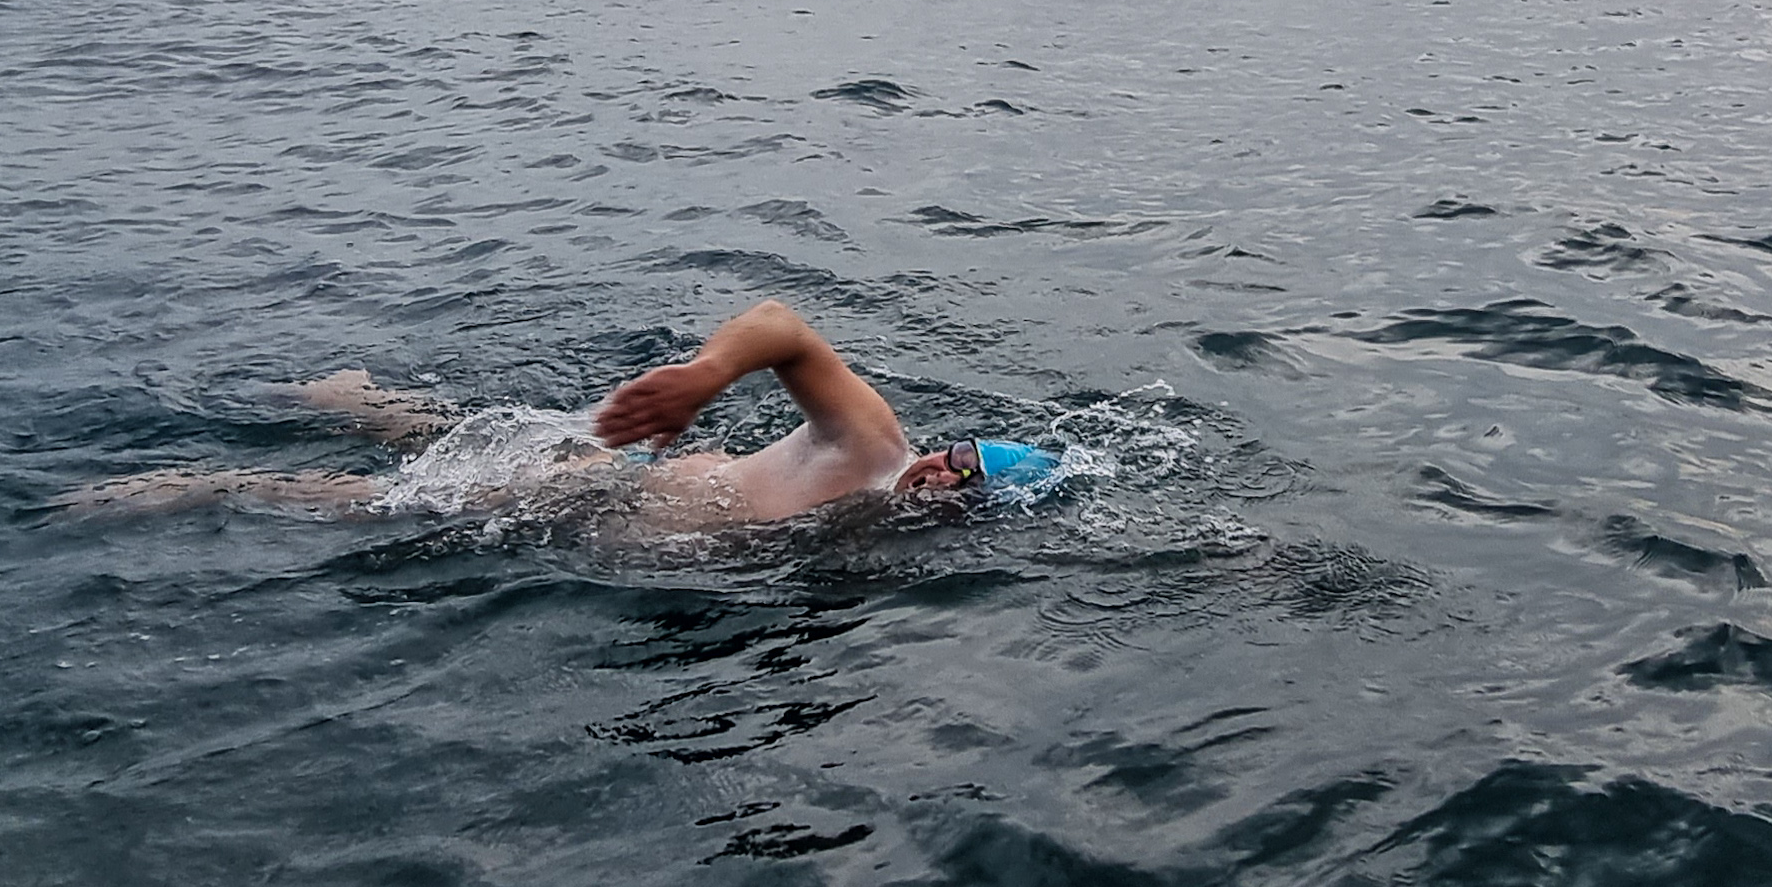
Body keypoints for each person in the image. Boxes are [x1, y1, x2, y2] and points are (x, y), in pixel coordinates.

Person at [60, 300, 1060, 525]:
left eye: (966, 476)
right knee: (375, 502)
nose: (943, 466)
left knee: (436, 437)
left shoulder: (875, 545)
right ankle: (193, 485)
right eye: (957, 449)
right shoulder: (873, 444)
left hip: (604, 490)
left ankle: (335, 394)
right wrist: (707, 374)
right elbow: (781, 324)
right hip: (589, 486)